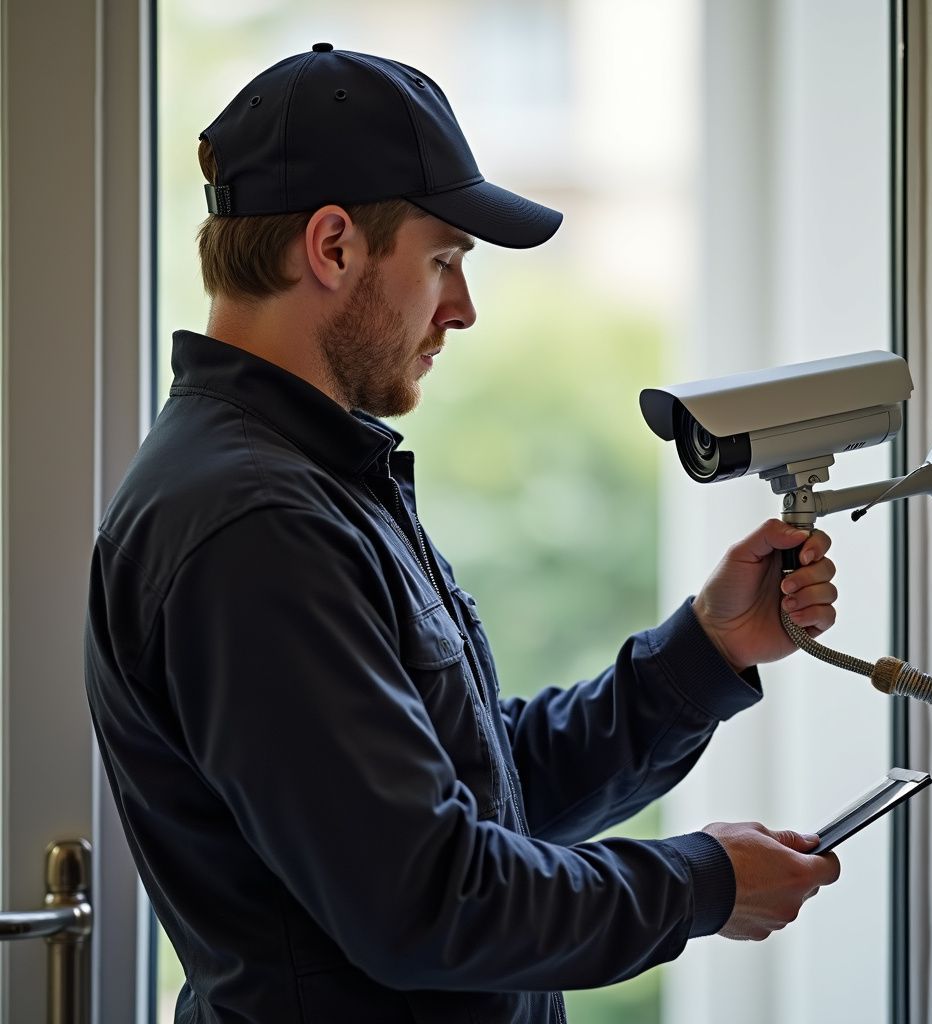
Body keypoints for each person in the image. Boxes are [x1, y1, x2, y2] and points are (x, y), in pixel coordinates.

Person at [85, 45, 841, 1024]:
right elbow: (426, 900)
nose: (463, 308)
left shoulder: (312, 484)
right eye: (442, 259)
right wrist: (699, 884)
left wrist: (701, 653)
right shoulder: (252, 527)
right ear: (333, 246)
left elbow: (470, 792)